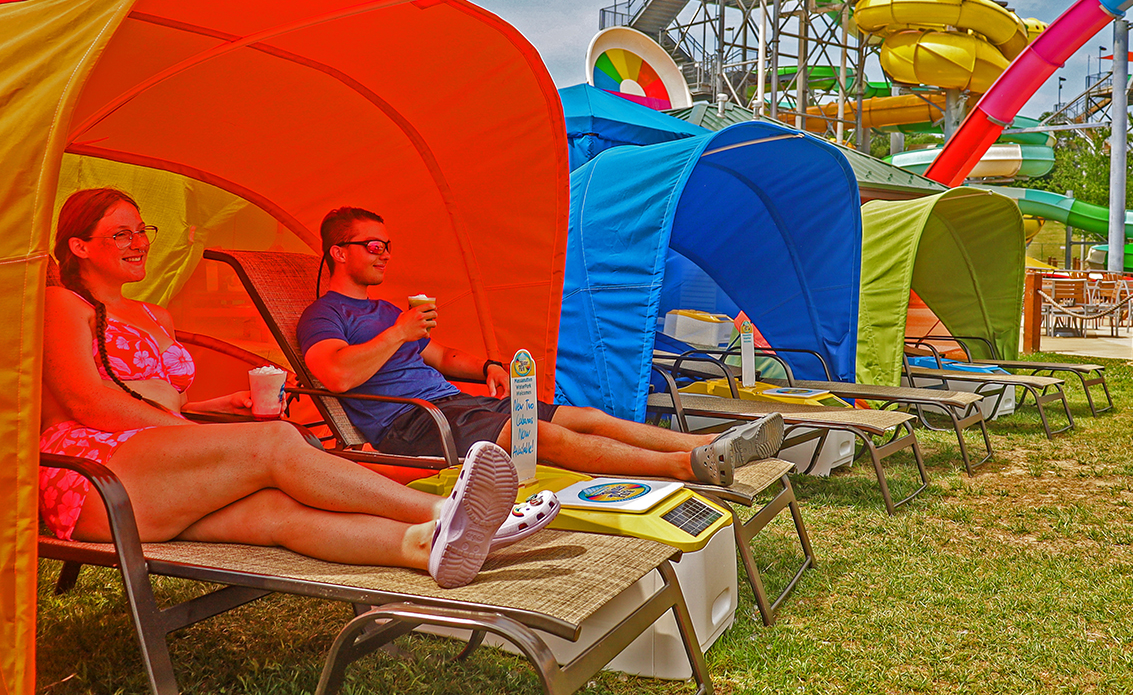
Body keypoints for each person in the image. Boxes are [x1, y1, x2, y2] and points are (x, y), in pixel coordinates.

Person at [40, 188, 558, 588]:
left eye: (141, 230)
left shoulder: (157, 314)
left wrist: (208, 408)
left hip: (154, 468)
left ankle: (423, 547)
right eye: (121, 235)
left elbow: (159, 396)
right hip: (92, 475)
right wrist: (191, 433)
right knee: (275, 441)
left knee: (277, 514)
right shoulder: (64, 304)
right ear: (79, 246)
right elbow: (89, 400)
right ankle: (449, 514)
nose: (139, 243)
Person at [298, 207, 785, 487]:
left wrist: (488, 366)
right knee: (540, 436)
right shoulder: (324, 315)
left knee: (585, 416)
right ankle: (686, 467)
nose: (385, 254)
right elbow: (336, 375)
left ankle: (710, 444)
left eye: (388, 245)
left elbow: (440, 357)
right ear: (339, 252)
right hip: (410, 425)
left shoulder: (387, 310)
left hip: (452, 404)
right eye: (373, 246)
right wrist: (399, 333)